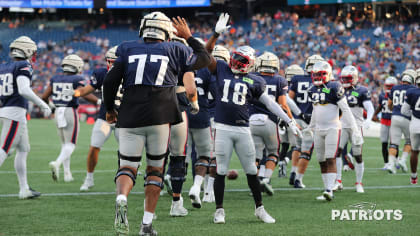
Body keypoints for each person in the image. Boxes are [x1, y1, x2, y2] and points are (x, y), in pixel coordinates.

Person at [102, 12, 210, 236]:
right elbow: (205, 58)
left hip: (130, 115)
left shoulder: (126, 48)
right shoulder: (177, 49)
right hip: (161, 115)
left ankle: (122, 197)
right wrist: (189, 36)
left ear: (143, 29)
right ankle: (146, 225)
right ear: (167, 31)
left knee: (128, 166)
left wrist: (110, 109)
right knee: (155, 170)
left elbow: (110, 81)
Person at [205, 13, 300, 224]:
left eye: (242, 60)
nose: (236, 63)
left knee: (251, 170)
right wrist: (216, 34)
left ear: (250, 64)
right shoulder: (221, 69)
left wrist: (290, 120)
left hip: (242, 129)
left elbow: (270, 104)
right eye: (235, 58)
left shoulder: (255, 80)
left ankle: (259, 208)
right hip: (222, 127)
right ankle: (219, 211)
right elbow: (205, 54)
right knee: (220, 170)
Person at [62, 46, 122, 191]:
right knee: (94, 146)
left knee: (126, 152)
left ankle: (123, 177)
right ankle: (89, 178)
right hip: (105, 119)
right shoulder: (101, 73)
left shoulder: (131, 73)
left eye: (116, 62)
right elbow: (86, 90)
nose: (112, 65)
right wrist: (75, 93)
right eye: (110, 61)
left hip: (125, 120)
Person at [0, 36, 51, 199]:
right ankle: (24, 189)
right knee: (3, 150)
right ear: (27, 50)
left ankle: (24, 189)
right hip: (14, 113)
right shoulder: (23, 64)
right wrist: (42, 104)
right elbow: (23, 90)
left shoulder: (4, 66)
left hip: (8, 111)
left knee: (23, 149)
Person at [307, 61, 362, 201]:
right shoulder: (312, 89)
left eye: (321, 74)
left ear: (328, 74)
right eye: (316, 74)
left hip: (332, 127)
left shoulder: (334, 86)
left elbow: (346, 110)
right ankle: (327, 189)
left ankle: (329, 190)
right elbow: (315, 109)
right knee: (321, 160)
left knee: (330, 157)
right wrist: (310, 126)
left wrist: (355, 129)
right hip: (319, 129)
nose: (318, 77)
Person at [42, 54, 97, 182]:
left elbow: (44, 97)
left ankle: (67, 174)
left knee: (64, 144)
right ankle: (57, 163)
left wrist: (52, 107)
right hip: (69, 111)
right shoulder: (77, 78)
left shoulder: (55, 78)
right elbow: (83, 93)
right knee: (71, 144)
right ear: (77, 66)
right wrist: (98, 101)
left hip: (58, 111)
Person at [249, 51, 296, 195]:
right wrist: (291, 120)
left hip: (251, 121)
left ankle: (255, 184)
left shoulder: (251, 77)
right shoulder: (279, 80)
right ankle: (266, 179)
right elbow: (282, 105)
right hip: (270, 121)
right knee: (273, 153)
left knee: (256, 156)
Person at [332, 65, 374, 193]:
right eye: (343, 79)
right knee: (337, 153)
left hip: (356, 127)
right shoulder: (338, 89)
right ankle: (338, 181)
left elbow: (370, 108)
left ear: (355, 78)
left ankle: (359, 183)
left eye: (348, 78)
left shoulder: (362, 90)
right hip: (342, 126)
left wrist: (368, 120)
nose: (344, 81)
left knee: (358, 156)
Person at [288, 55, 324, 188]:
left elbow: (289, 100)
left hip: (297, 118)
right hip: (311, 119)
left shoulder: (297, 79)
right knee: (306, 151)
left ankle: (293, 171)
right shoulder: (321, 82)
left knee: (297, 146)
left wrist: (294, 115)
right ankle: (298, 179)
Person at [386, 69, 417, 174]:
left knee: (394, 143)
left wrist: (392, 110)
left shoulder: (394, 88)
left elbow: (389, 103)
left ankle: (390, 164)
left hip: (394, 117)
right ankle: (403, 160)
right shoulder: (413, 89)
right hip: (407, 118)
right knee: (409, 141)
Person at [372, 76, 398, 170]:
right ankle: (386, 163)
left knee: (394, 143)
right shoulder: (382, 96)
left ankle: (395, 160)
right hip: (384, 121)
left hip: (393, 122)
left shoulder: (397, 96)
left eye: (390, 86)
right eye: (387, 86)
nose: (388, 88)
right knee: (384, 143)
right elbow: (380, 106)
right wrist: (375, 115)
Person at [401, 70, 420, 184]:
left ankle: (413, 177)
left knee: (414, 151)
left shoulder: (411, 92)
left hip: (415, 123)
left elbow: (404, 110)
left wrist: (413, 115)